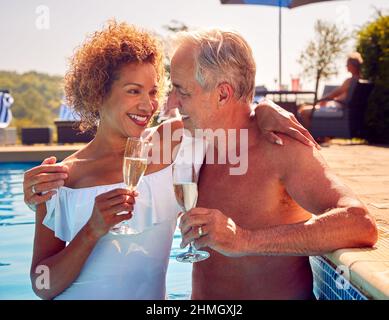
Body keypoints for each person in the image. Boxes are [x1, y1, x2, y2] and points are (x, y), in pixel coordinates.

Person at [26, 21, 317, 300]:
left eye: (153, 92)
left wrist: (264, 109)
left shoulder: (173, 142)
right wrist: (92, 230)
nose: (147, 104)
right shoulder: (61, 177)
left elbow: (225, 107)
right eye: (133, 91)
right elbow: (42, 285)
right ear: (98, 91)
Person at [168, 30, 377, 300]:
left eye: (181, 91)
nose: (172, 102)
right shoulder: (195, 142)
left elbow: (359, 223)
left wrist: (244, 240)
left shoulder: (281, 147)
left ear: (222, 94)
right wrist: (265, 105)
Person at [297, 52, 363, 130]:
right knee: (304, 107)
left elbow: (335, 94)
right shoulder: (360, 81)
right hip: (341, 107)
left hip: (337, 108)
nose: (346, 66)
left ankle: (311, 138)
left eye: (347, 64)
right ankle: (320, 135)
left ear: (353, 66)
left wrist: (323, 100)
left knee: (303, 111)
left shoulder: (350, 81)